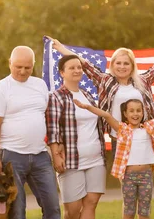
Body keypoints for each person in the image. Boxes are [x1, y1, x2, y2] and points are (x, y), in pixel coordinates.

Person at [48, 37, 154, 155]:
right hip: (118, 138)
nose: (122, 66)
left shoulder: (142, 81)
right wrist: (60, 47)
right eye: (118, 63)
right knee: (124, 178)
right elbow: (84, 63)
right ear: (113, 65)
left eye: (126, 63)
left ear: (132, 66)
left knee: (143, 175)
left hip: (143, 136)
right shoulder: (105, 80)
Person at [73, 90, 154, 219]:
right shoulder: (122, 129)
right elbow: (106, 115)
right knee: (129, 210)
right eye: (131, 111)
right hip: (129, 176)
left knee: (144, 211)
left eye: (139, 110)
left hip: (146, 175)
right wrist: (87, 107)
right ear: (125, 114)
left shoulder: (148, 127)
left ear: (143, 113)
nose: (135, 114)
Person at [0, 46, 61, 219]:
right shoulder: (0, 89)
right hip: (12, 157)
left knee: (53, 208)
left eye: (27, 67)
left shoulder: (40, 85)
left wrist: (55, 148)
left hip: (40, 156)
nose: (22, 71)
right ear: (10, 63)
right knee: (17, 212)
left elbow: (47, 118)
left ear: (33, 65)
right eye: (18, 66)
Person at [45, 55, 106, 219]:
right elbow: (53, 129)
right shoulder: (56, 97)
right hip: (71, 160)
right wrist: (56, 156)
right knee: (73, 209)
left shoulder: (88, 95)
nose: (77, 70)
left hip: (96, 159)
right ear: (62, 72)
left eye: (79, 67)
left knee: (91, 203)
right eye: (72, 68)